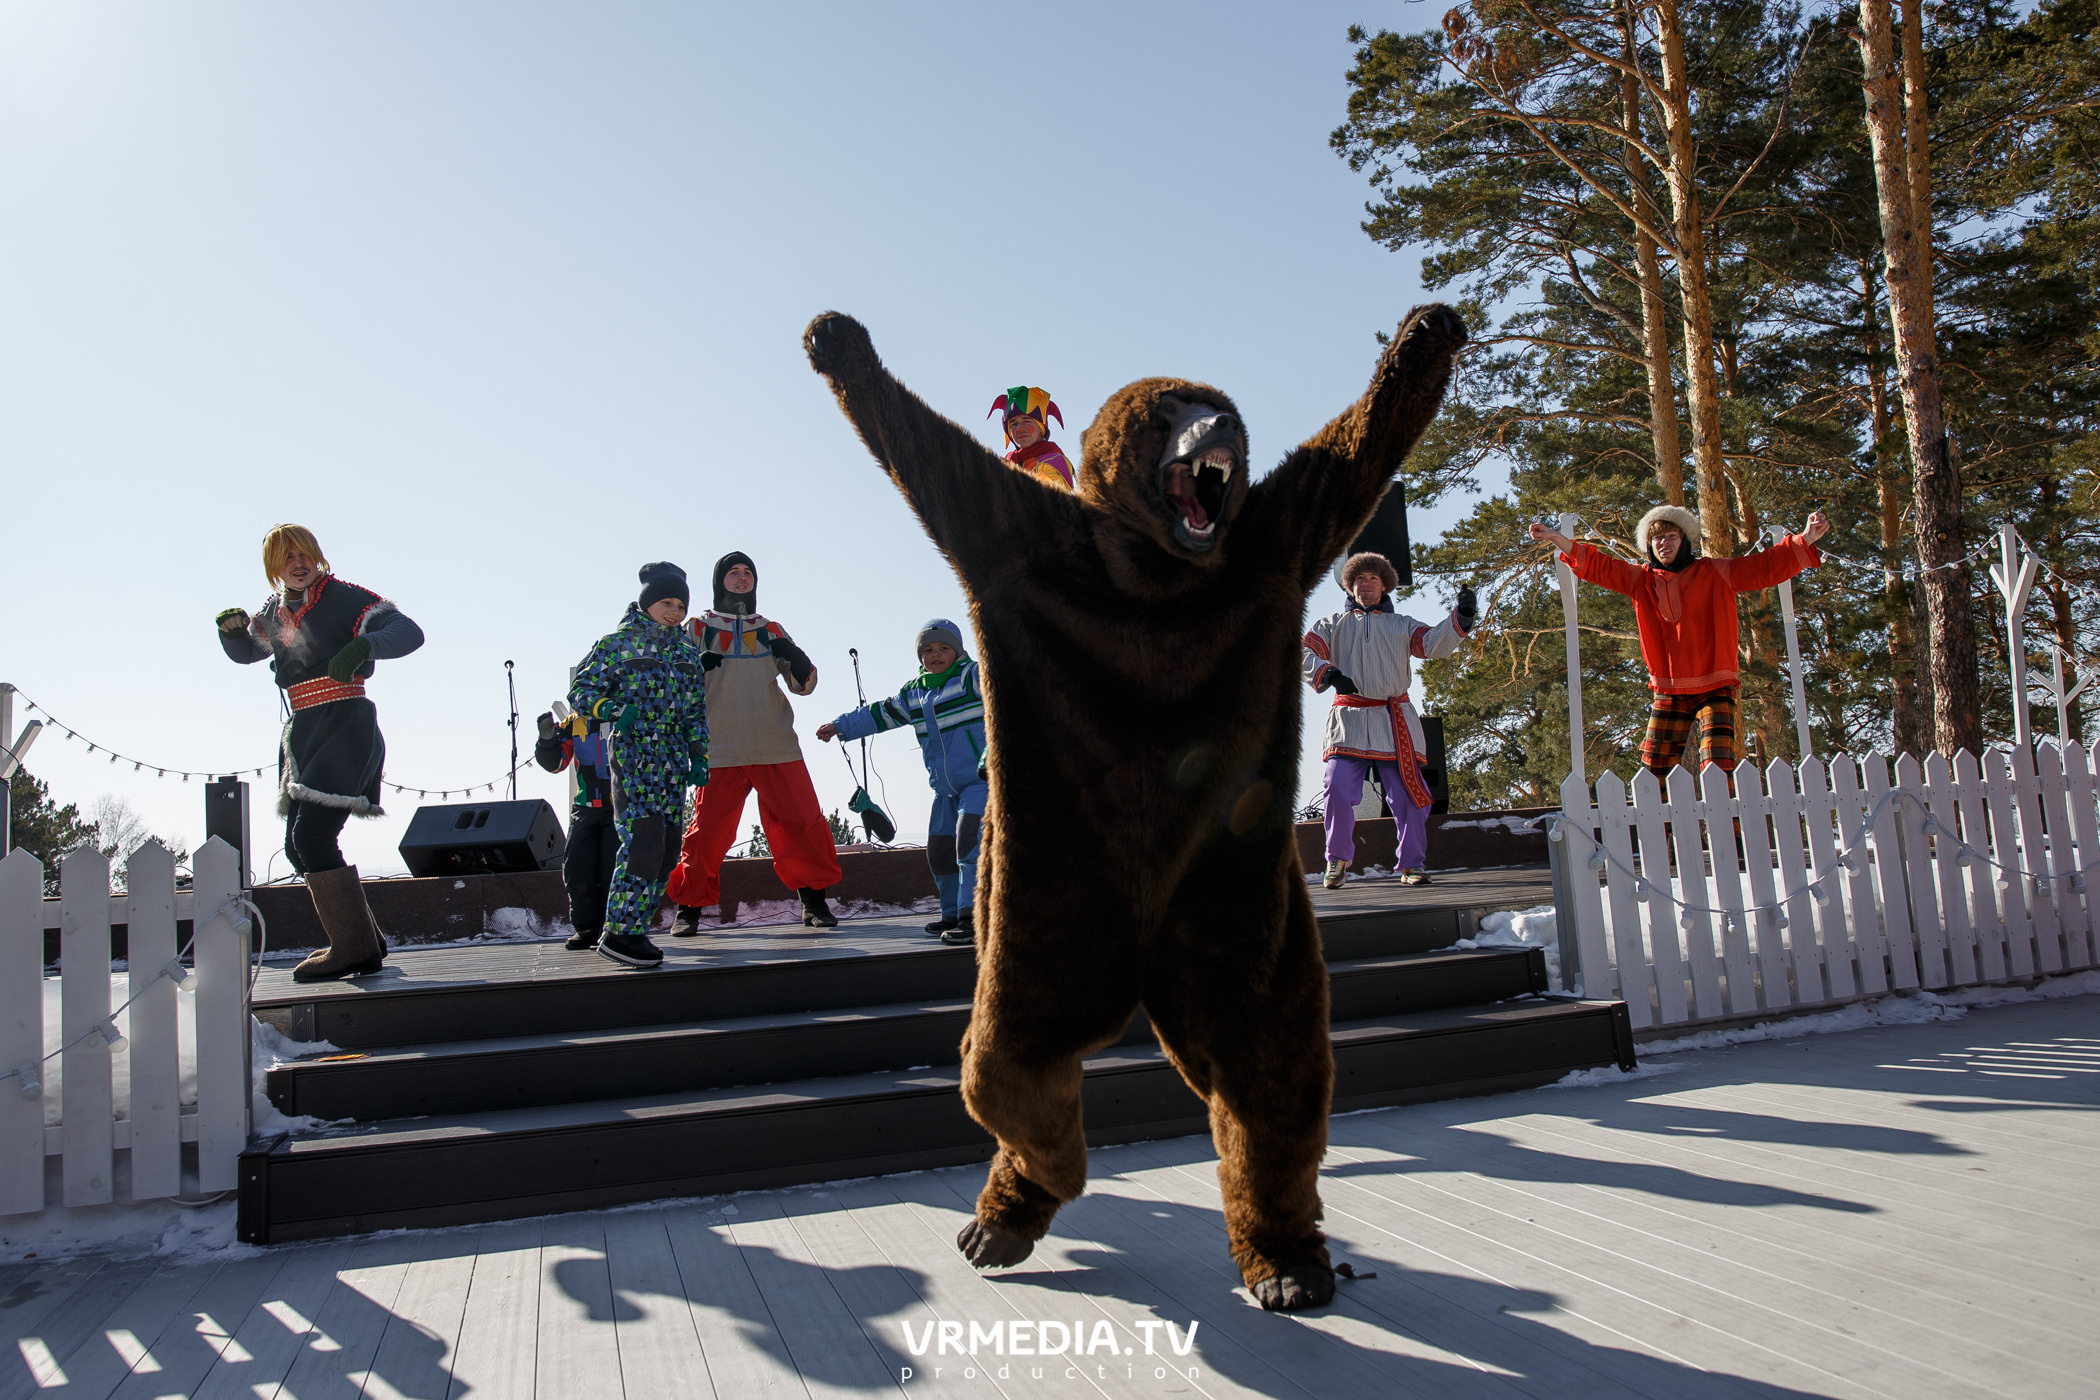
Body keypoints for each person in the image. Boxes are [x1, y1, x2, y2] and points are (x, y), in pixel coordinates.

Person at [216, 523, 423, 982]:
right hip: (304, 730)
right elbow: (251, 652)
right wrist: (233, 635)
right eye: (287, 558)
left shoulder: (344, 596)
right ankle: (364, 941)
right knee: (296, 846)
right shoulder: (274, 610)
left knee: (312, 839)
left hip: (345, 722)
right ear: (274, 568)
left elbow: (409, 632)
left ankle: (353, 950)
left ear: (317, 555)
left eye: (304, 553)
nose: (298, 563)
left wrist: (365, 645)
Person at [1529, 505, 1829, 778]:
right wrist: (1556, 537)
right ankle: (1660, 835)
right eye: (1657, 539)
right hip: (1669, 688)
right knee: (1653, 767)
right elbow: (1597, 566)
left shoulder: (1716, 572)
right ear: (1649, 545)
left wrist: (1805, 538)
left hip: (1714, 685)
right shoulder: (1640, 580)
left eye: (1671, 536)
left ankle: (1730, 835)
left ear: (1685, 540)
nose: (1664, 543)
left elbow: (1765, 565)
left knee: (1716, 766)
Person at [664, 552, 844, 931]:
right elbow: (670, 683)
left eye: (748, 572)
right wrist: (696, 668)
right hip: (719, 747)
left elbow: (804, 686)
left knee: (801, 822)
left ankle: (814, 904)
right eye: (734, 572)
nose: (742, 578)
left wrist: (794, 656)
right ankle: (689, 910)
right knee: (707, 832)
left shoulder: (771, 628)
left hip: (774, 743)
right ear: (719, 582)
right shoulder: (697, 628)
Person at [568, 562, 710, 968]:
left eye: (681, 605)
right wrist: (608, 707)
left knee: (665, 850)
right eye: (666, 602)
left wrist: (699, 754)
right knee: (641, 843)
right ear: (648, 602)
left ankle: (636, 929)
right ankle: (620, 932)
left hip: (672, 760)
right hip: (634, 755)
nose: (674, 611)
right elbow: (582, 689)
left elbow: (695, 711)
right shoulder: (617, 644)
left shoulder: (686, 653)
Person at [1303, 552, 1472, 890]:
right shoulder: (1331, 624)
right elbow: (1303, 651)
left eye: (1372, 579)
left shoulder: (1402, 625)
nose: (1365, 584)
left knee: (1408, 796)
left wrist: (1462, 618)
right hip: (1349, 719)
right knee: (1336, 788)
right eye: (1358, 580)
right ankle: (1337, 859)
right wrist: (1329, 673)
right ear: (1351, 588)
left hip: (1393, 722)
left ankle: (1412, 864)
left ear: (1384, 586)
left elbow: (1432, 644)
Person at [818, 619, 989, 945]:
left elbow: (1008, 695)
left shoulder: (973, 677)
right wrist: (840, 727)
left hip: (979, 784)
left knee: (969, 843)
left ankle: (973, 918)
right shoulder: (916, 693)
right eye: (928, 650)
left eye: (943, 648)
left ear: (958, 650)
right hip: (944, 790)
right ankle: (951, 913)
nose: (936, 655)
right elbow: (878, 714)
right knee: (940, 853)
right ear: (920, 656)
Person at [534, 705, 618, 951]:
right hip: (587, 806)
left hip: (621, 804)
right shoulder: (574, 723)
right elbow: (556, 764)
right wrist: (547, 738)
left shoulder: (624, 711)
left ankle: (614, 929)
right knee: (576, 868)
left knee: (612, 870)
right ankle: (586, 929)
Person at [988, 386, 1075, 490]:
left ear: (1041, 428)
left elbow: (1048, 500)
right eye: (1014, 424)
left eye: (1027, 421)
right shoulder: (1007, 462)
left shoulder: (1054, 462)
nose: (1020, 428)